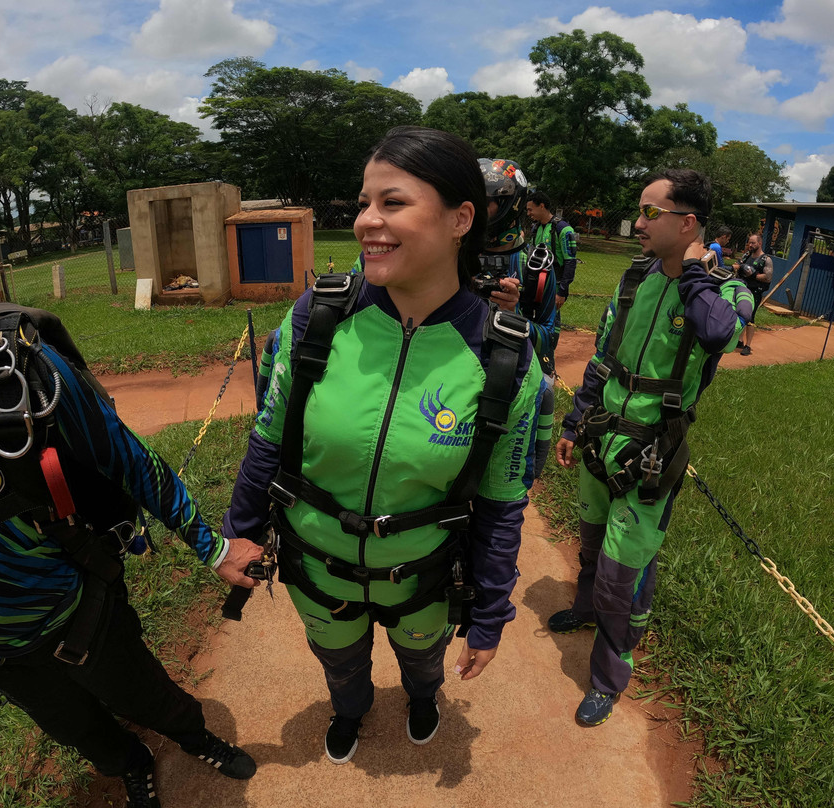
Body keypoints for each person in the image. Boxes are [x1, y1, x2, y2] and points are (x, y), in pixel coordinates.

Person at [0, 168, 256, 808]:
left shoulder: (5, 372)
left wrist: (211, 547)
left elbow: (128, 460)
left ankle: (194, 737)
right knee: (75, 729)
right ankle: (130, 762)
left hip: (80, 610)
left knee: (147, 697)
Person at [221, 127, 546, 765]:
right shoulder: (318, 316)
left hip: (423, 575)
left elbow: (502, 502)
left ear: (460, 219)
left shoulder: (504, 358)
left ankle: (422, 699)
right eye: (365, 202)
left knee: (423, 663)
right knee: (339, 664)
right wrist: (241, 530)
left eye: (393, 203)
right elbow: (269, 437)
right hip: (316, 567)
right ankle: (350, 708)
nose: (367, 220)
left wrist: (489, 613)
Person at [550, 169, 752, 727]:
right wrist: (574, 422)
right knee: (592, 543)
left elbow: (719, 333)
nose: (638, 223)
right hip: (602, 436)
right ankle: (585, 607)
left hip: (651, 451)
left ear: (687, 223)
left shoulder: (725, 289)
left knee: (624, 572)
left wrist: (694, 274)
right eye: (639, 211)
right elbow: (604, 355)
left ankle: (608, 676)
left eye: (650, 213)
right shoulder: (634, 278)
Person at [477, 160, 558, 378]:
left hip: (514, 375)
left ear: (509, 205)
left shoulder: (536, 266)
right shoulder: (456, 258)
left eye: (483, 202)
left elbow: (549, 338)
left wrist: (513, 315)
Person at [525, 191, 578, 350]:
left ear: (541, 206)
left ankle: (548, 354)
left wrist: (562, 291)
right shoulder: (535, 228)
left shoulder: (563, 229)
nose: (528, 213)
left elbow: (570, 261)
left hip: (554, 285)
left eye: (530, 209)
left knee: (552, 320)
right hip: (535, 284)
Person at [735, 232, 773, 356]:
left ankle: (748, 345)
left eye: (753, 243)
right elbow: (738, 265)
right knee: (740, 313)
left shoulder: (766, 259)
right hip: (742, 288)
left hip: (755, 292)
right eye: (749, 242)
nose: (750, 245)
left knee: (750, 317)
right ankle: (740, 341)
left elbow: (768, 277)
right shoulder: (746, 255)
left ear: (759, 243)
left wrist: (754, 274)